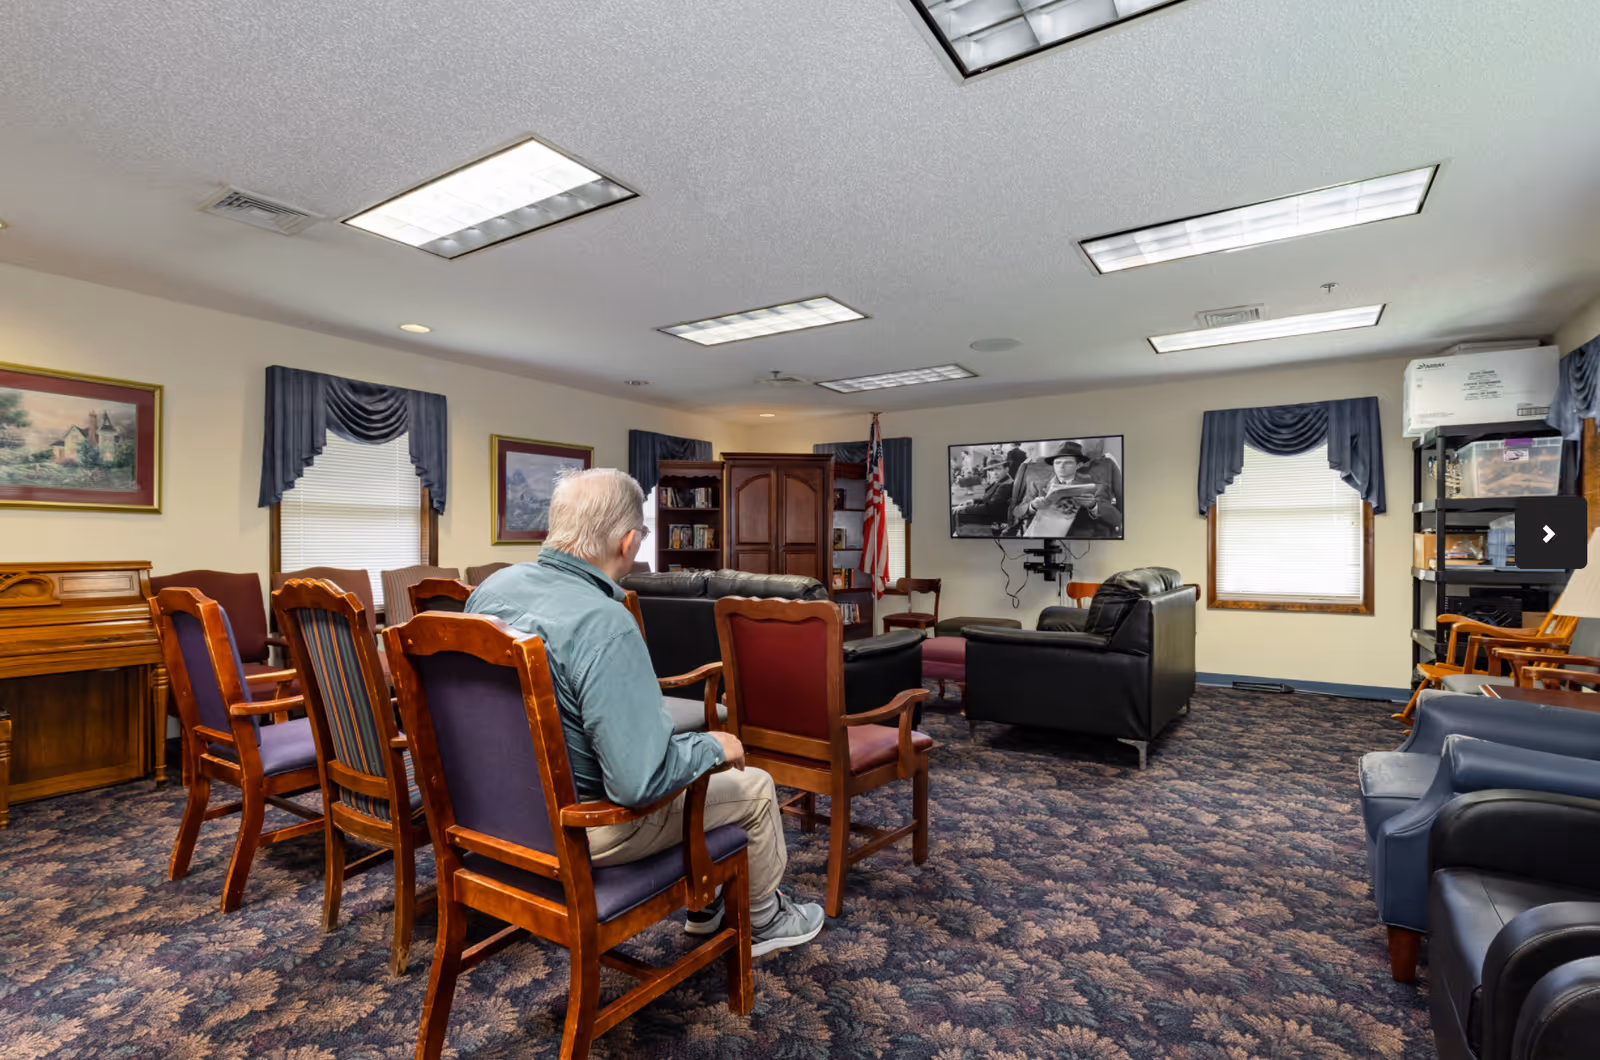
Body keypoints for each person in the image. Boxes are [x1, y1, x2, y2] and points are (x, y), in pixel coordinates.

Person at [466, 468, 824, 955]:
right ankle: (763, 919)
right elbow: (637, 785)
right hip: (583, 829)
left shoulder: (490, 591)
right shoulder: (604, 622)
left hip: (496, 814)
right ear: (628, 541)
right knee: (756, 788)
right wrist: (712, 744)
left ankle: (707, 907)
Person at [1010, 441, 1122, 538]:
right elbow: (1017, 512)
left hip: (1077, 538)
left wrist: (1094, 506)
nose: (1061, 466)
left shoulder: (1095, 486)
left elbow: (1116, 518)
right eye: (1057, 463)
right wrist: (1032, 506)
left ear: (1078, 465)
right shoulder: (1037, 484)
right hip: (1043, 537)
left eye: (1068, 462)